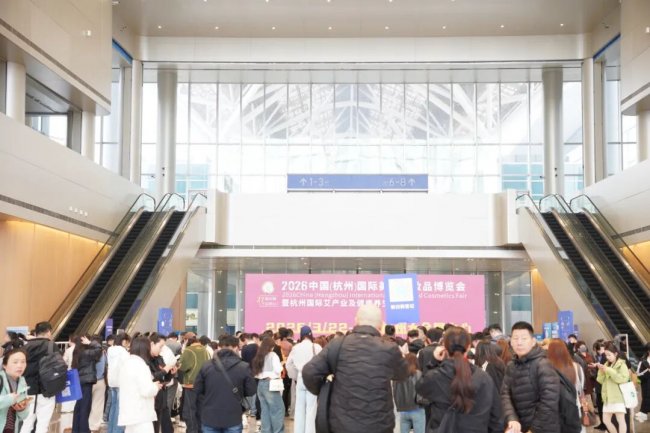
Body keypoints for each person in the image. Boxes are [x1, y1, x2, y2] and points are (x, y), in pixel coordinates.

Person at [302, 305, 409, 433]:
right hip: (379, 426)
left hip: (341, 424)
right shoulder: (389, 348)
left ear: (356, 320)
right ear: (381, 325)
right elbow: (403, 374)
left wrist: (324, 389)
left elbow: (309, 372)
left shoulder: (338, 344)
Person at [416, 326, 503, 433]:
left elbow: (420, 387)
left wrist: (433, 362)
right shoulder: (484, 378)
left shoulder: (435, 376)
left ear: (444, 347)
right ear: (468, 347)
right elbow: (496, 418)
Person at [501, 321, 560, 433]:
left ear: (533, 342)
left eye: (524, 338)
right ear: (511, 342)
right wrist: (512, 418)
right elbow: (505, 393)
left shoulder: (543, 364)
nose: (519, 343)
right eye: (515, 338)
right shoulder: (511, 365)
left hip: (543, 429)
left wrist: (533, 430)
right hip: (519, 427)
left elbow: (549, 401)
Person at [195, 335, 257, 433]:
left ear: (219, 347)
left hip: (210, 416)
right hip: (233, 416)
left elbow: (197, 389)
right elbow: (251, 390)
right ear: (236, 347)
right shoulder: (244, 367)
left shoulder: (206, 366)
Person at [19, 322, 57, 433]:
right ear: (48, 332)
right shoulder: (51, 346)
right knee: (42, 424)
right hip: (46, 390)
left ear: (35, 333)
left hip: (28, 390)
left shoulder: (25, 347)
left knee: (27, 423)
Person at [118, 337, 162, 433]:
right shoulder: (141, 365)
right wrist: (155, 387)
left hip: (129, 412)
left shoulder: (127, 363)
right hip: (141, 414)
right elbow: (146, 390)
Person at [286, 326, 322, 433]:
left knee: (299, 408)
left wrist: (295, 376)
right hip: (312, 380)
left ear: (301, 335)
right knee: (311, 409)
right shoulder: (317, 347)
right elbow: (322, 364)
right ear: (311, 335)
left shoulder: (296, 348)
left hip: (301, 379)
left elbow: (288, 365)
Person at [547, 339, 584, 433]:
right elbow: (580, 388)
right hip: (574, 408)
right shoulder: (577, 367)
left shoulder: (546, 369)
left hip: (554, 411)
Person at [251, 337, 285, 433]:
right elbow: (278, 369)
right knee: (278, 409)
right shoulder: (273, 355)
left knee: (265, 411)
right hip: (270, 384)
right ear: (271, 346)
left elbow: (255, 373)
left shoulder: (258, 356)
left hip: (260, 385)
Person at [179, 334, 210, 433]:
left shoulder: (189, 350)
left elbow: (182, 366)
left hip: (191, 384)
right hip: (204, 384)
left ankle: (192, 430)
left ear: (187, 341)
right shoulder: (205, 350)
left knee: (189, 410)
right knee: (201, 410)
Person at [71, 335, 103, 433]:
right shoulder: (86, 353)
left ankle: (76, 429)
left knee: (79, 406)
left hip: (79, 381)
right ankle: (84, 430)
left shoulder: (77, 352)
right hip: (86, 382)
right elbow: (99, 349)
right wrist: (90, 343)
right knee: (85, 407)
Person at [595, 343, 629, 433]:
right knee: (606, 420)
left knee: (620, 420)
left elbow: (623, 379)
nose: (607, 357)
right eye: (606, 355)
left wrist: (608, 370)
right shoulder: (606, 364)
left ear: (615, 354)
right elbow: (600, 380)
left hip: (618, 397)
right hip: (607, 398)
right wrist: (601, 371)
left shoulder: (621, 364)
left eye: (609, 355)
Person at [148, 334, 175, 433]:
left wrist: (171, 373)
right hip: (150, 398)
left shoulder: (159, 358)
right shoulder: (145, 360)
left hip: (161, 397)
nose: (161, 349)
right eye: (160, 346)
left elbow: (165, 378)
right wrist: (164, 371)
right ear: (152, 344)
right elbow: (151, 377)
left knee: (157, 425)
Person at [393, 353, 425, 433]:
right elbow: (421, 394)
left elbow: (395, 392)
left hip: (403, 411)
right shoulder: (418, 374)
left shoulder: (398, 375)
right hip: (417, 409)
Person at [1, 348, 31, 433]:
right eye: (15, 362)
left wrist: (22, 409)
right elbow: (9, 400)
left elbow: (23, 417)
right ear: (4, 365)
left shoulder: (22, 382)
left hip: (11, 429)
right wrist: (9, 399)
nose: (20, 365)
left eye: (23, 362)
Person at [107, 334, 131, 433]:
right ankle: (117, 431)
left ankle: (110, 430)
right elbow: (128, 365)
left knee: (113, 407)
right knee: (120, 408)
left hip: (112, 381)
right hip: (121, 382)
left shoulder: (110, 350)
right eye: (128, 342)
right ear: (124, 341)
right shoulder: (123, 352)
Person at [89, 335, 107, 433]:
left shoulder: (88, 352)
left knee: (86, 404)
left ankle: (85, 424)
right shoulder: (103, 353)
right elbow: (106, 365)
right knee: (98, 404)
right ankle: (94, 426)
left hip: (89, 382)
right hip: (100, 381)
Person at [638, 343, 650, 416]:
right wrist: (647, 371)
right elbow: (638, 374)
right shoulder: (643, 361)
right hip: (646, 385)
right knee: (646, 398)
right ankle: (644, 412)